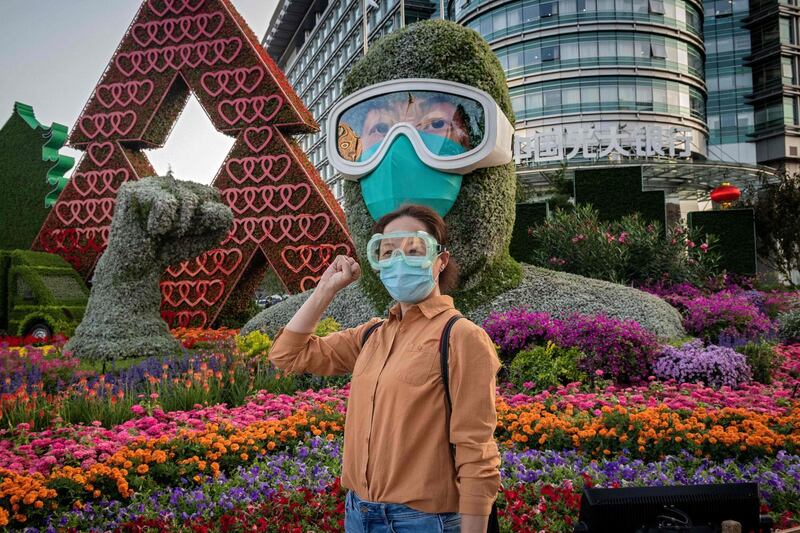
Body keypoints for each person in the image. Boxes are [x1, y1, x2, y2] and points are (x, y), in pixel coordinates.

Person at [268, 203, 502, 533]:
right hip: (358, 513)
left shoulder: (462, 337)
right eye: (388, 251)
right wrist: (327, 289)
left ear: (440, 261)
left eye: (414, 249)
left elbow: (476, 448)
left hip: (422, 521)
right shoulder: (372, 335)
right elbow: (287, 355)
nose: (399, 260)